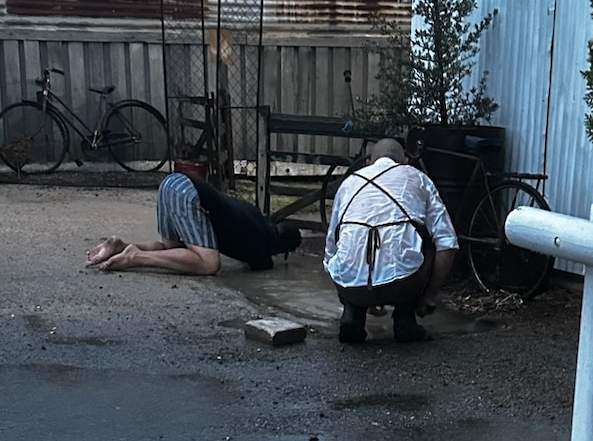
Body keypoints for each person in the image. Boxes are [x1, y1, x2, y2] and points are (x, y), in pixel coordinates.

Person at [324, 138, 458, 344]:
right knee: (430, 241)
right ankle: (406, 320)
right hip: (403, 283)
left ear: (369, 162)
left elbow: (330, 249)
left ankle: (352, 315)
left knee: (345, 247)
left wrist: (355, 283)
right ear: (405, 161)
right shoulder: (419, 178)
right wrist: (428, 297)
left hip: (350, 285)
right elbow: (448, 243)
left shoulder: (349, 182)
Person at [86, 172, 302, 274]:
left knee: (176, 250)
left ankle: (121, 246)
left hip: (172, 182)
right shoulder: (264, 253)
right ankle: (136, 257)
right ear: (283, 251)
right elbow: (260, 266)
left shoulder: (254, 214)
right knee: (208, 264)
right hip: (189, 194)